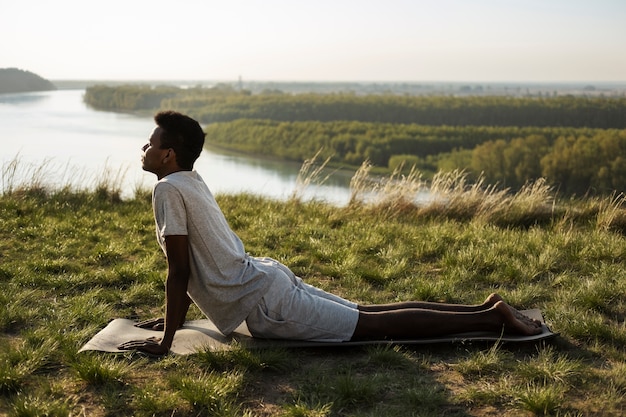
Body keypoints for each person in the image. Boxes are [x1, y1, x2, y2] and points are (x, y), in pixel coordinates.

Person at [118, 111, 543, 356]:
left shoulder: (166, 190)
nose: (144, 149)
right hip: (265, 280)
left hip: (267, 304)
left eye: (149, 143)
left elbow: (179, 270)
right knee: (371, 312)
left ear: (168, 154)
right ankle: (484, 307)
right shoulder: (190, 180)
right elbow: (195, 263)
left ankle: (491, 317)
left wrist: (167, 340)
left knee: (375, 327)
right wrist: (172, 316)